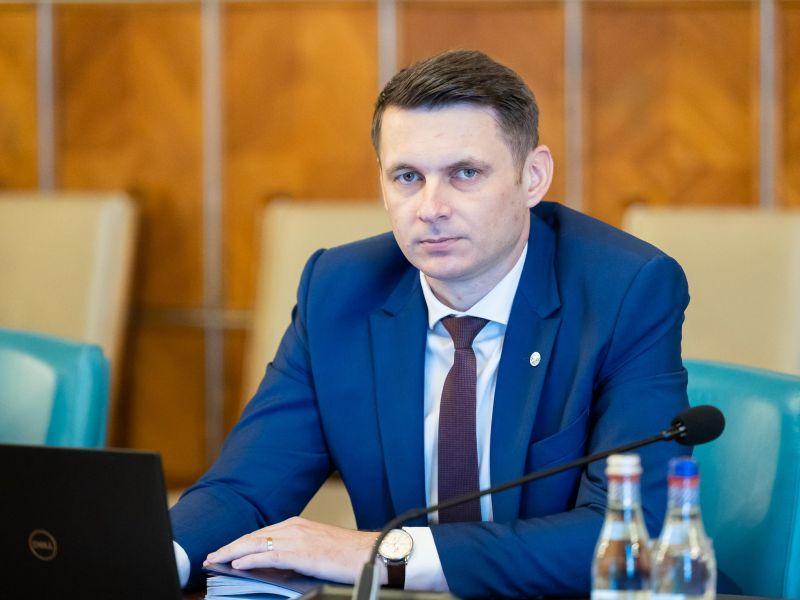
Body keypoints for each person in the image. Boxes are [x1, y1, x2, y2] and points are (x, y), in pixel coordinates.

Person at [170, 49, 689, 597]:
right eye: (407, 177)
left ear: (532, 177)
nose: (430, 207)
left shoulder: (625, 290)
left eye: (465, 173)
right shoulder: (338, 292)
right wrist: (152, 561)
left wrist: (381, 554)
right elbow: (246, 490)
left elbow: (633, 533)